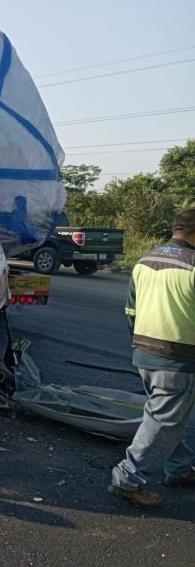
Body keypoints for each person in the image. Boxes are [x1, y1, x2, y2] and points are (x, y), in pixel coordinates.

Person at [110, 208, 195, 509]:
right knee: (163, 421)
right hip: (178, 357)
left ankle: (179, 469)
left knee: (170, 416)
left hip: (145, 352)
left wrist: (139, 345)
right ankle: (127, 479)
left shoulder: (145, 260)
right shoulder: (192, 264)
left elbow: (131, 311)